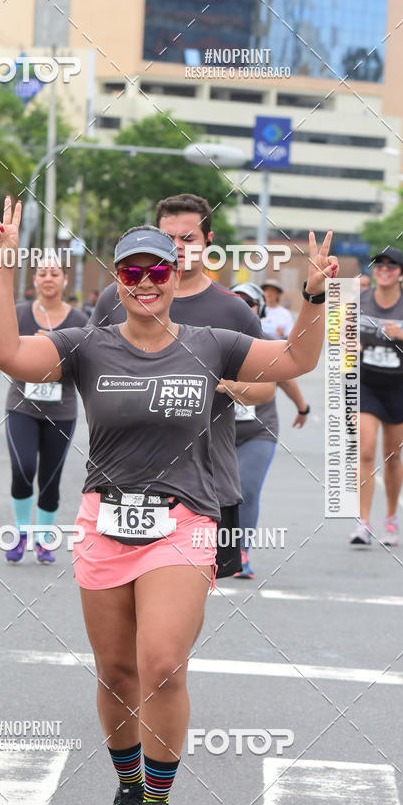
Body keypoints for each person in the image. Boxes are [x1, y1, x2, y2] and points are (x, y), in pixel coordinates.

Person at [0, 196, 335, 805]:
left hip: (184, 522)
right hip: (104, 522)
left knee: (163, 664)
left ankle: (157, 803)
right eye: (132, 273)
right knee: (116, 671)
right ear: (118, 280)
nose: (145, 283)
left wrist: (314, 294)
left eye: (157, 272)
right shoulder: (87, 345)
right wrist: (3, 268)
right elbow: (7, 351)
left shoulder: (214, 343)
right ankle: (126, 784)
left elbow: (294, 361)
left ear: (174, 277)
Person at [92, 193, 274, 578]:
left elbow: (266, 389)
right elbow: (88, 365)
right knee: (119, 592)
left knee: (181, 611)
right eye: (167, 236)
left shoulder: (233, 310)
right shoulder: (117, 296)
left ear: (208, 242)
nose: (176, 247)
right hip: (121, 478)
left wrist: (217, 384)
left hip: (206, 481)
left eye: (187, 239)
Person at [4, 258, 88, 564]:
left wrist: (52, 350)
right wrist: (31, 348)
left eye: (55, 273)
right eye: (42, 273)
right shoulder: (19, 313)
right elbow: (3, 350)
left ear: (65, 280)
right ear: (35, 279)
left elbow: (86, 361)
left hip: (61, 410)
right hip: (22, 405)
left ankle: (43, 540)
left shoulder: (79, 318)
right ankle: (22, 532)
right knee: (23, 468)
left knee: (50, 479)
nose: (48, 278)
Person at [351, 247, 403, 547]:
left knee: (393, 456)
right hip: (365, 384)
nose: (385, 269)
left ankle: (391, 517)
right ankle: (363, 523)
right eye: (380, 264)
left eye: (392, 265)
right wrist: (350, 347)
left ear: (402, 273)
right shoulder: (359, 300)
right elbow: (338, 337)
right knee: (367, 451)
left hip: (398, 386)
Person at [230, 283, 310, 578]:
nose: (241, 307)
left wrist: (302, 408)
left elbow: (287, 378)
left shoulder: (267, 344)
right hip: (215, 432)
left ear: (260, 309)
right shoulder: (208, 341)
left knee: (246, 490)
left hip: (257, 431)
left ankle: (240, 553)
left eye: (248, 302)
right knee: (210, 493)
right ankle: (208, 550)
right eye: (235, 300)